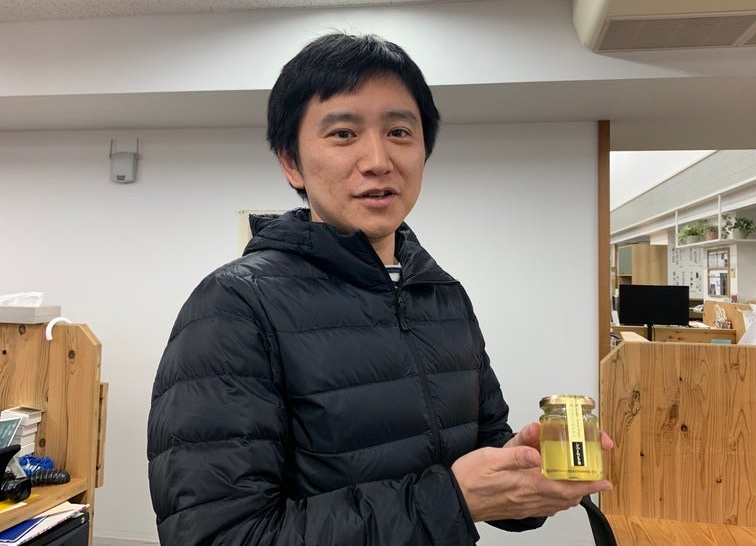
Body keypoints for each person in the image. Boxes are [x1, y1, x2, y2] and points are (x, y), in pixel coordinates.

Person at [147, 32, 613, 545]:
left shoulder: (442, 296)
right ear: (291, 161)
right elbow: (220, 535)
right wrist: (454, 499)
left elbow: (476, 457)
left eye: (399, 131)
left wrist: (520, 471)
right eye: (343, 133)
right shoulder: (233, 306)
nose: (377, 159)